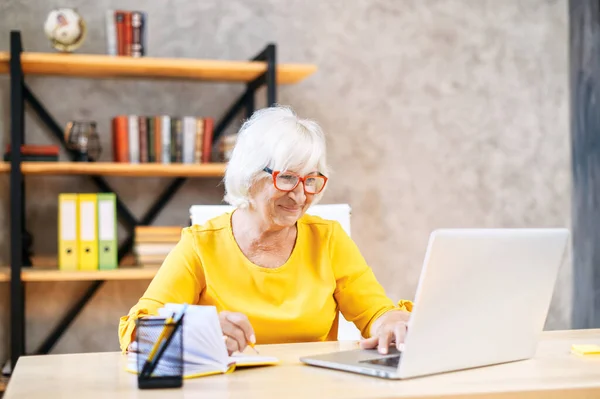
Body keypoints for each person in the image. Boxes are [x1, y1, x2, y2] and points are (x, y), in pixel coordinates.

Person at [118, 105, 412, 356]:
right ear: (250, 174)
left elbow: (376, 312)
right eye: (286, 178)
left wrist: (393, 323)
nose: (299, 196)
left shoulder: (329, 239)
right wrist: (196, 331)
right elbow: (138, 331)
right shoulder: (200, 245)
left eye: (310, 180)